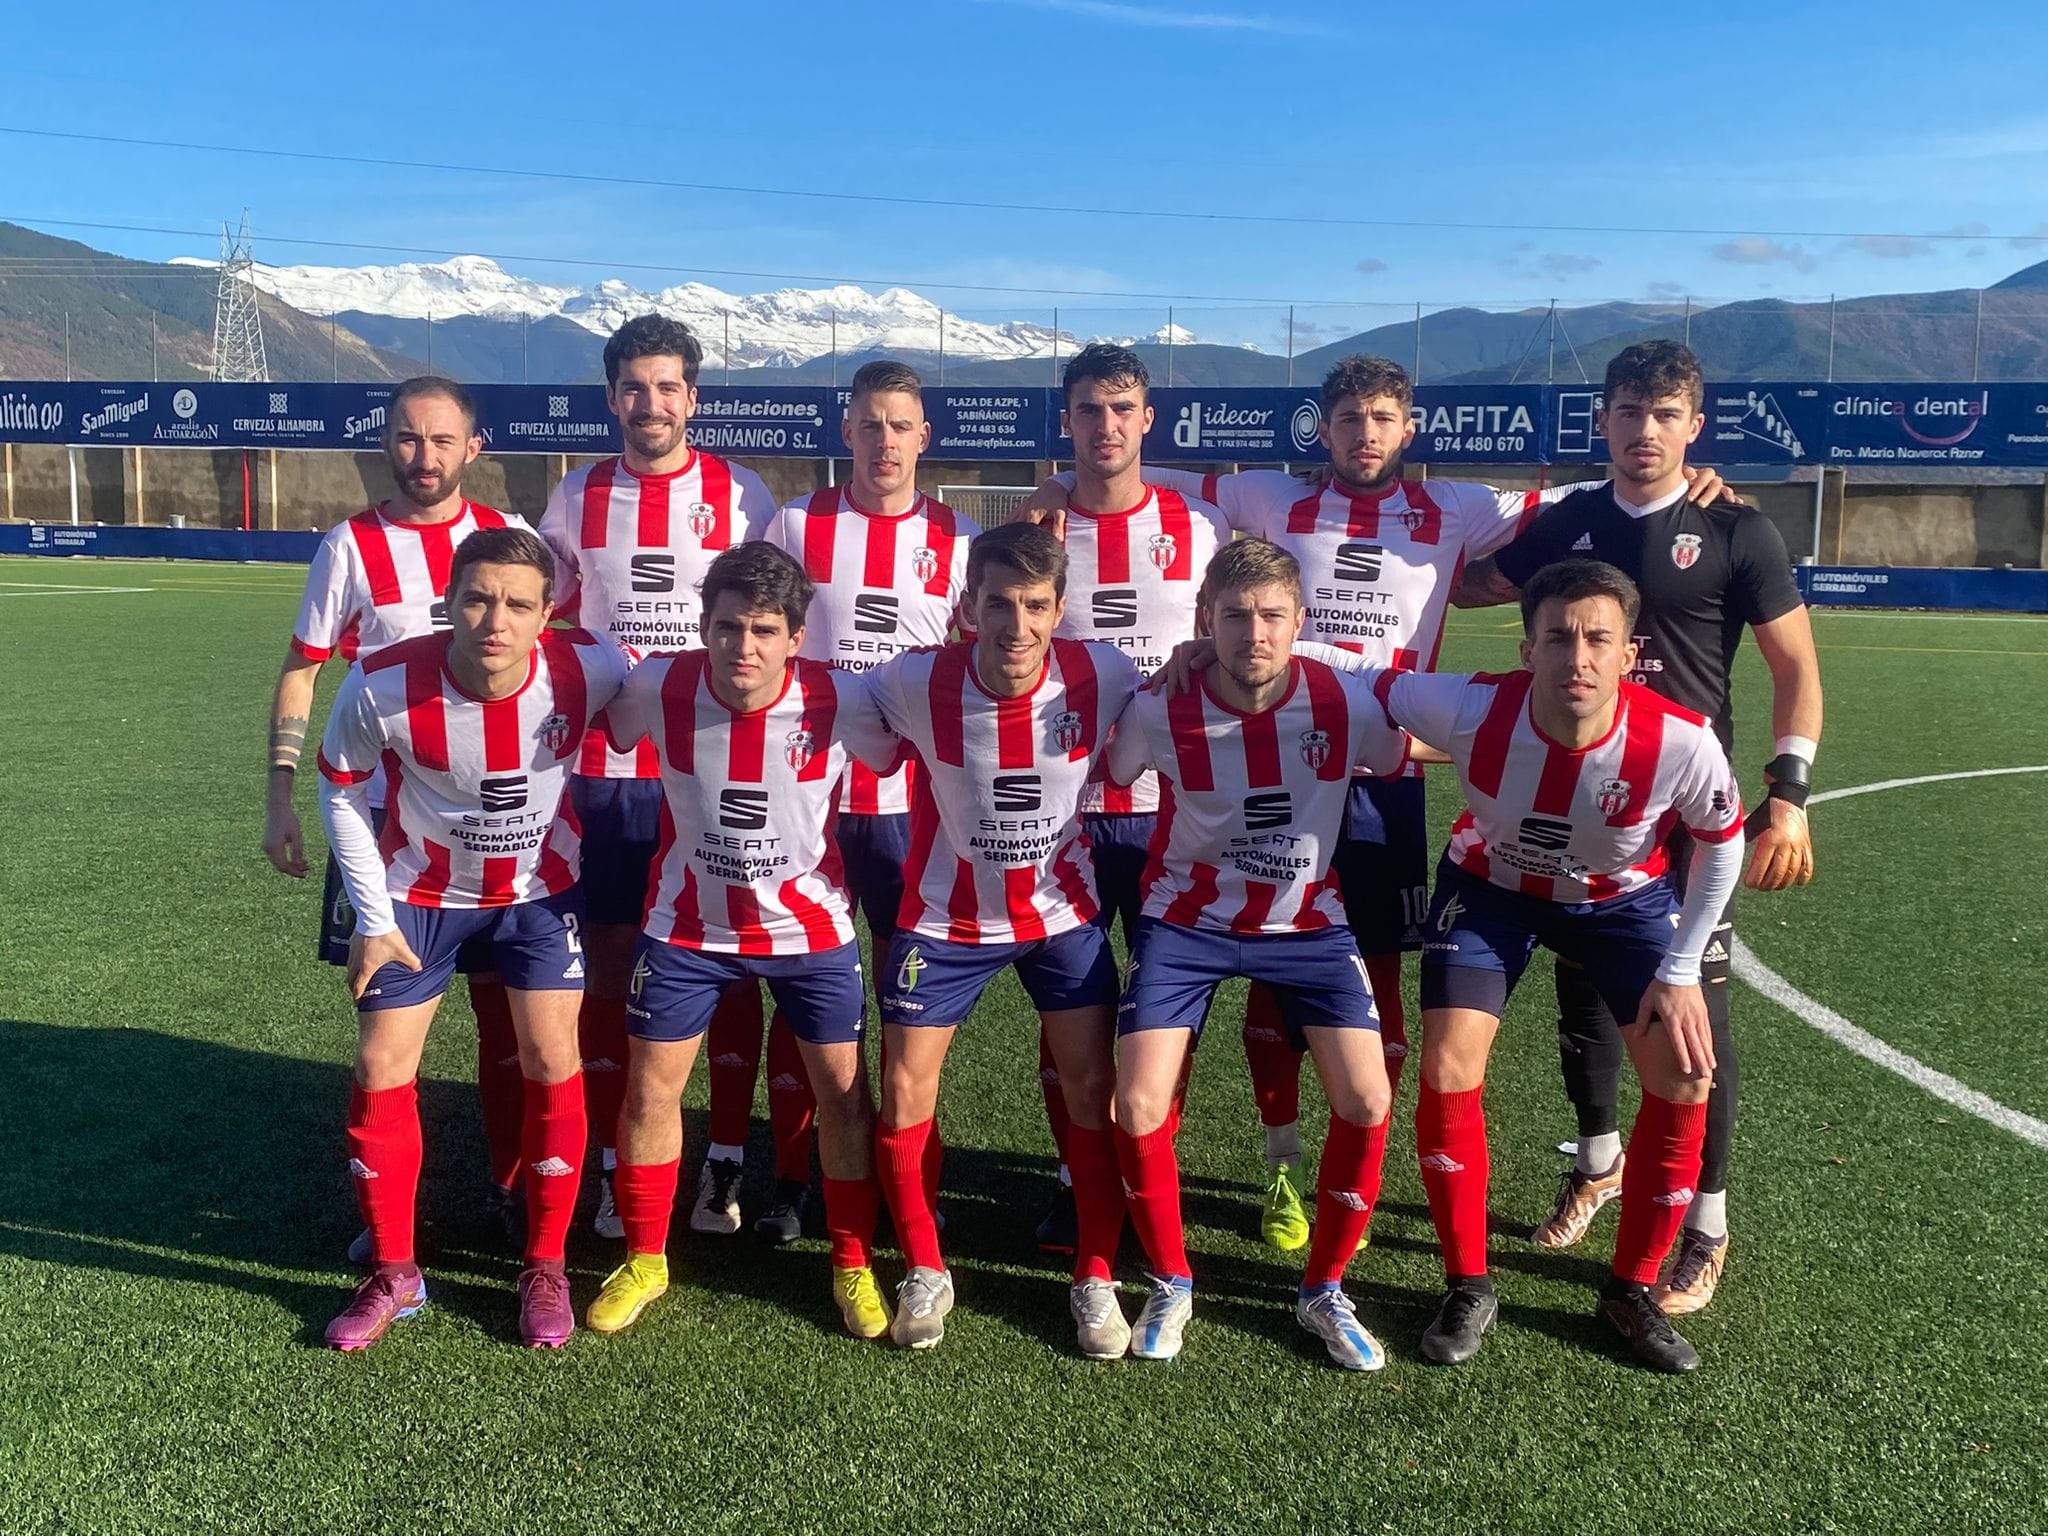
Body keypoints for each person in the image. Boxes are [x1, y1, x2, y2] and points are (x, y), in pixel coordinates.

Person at [1020, 355, 1727, 1253]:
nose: (1365, 435)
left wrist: (1687, 473)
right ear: (1322, 427)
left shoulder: (1460, 510)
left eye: (1383, 418)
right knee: (1256, 980)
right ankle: (1274, 1166)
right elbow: (1137, 467)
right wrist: (1054, 480)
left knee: (1374, 987)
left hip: (1382, 782)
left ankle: (1363, 1166)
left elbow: (1602, 492)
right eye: (1348, 418)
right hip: (1264, 765)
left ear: (1409, 428)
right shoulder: (1266, 497)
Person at [1454, 340, 1822, 1313]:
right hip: (1577, 802)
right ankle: (1598, 1161)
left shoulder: (1733, 527)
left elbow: (1796, 672)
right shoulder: (1571, 522)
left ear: (1692, 425)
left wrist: (1786, 793)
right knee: (1582, 1000)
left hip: (1684, 813)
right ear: (1603, 419)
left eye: (1665, 413)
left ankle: (1706, 1220)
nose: (1645, 429)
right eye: (1628, 410)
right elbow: (1466, 585)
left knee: (1691, 1020)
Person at [1375, 558, 1744, 1373]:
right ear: (1527, 648)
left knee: (1684, 1078)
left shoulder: (1679, 740)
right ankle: (1468, 1283)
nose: (1578, 657)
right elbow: (1358, 679)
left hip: (1623, 906)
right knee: (1447, 1068)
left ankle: (1630, 1291)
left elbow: (1723, 844)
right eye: (1559, 637)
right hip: (1491, 890)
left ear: (1627, 653)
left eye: (1597, 639)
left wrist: (1680, 971)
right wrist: (1206, 654)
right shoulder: (1469, 705)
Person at [315, 526, 627, 1350]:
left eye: (519, 604)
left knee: (552, 1058)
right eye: (479, 598)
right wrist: (372, 919)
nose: (497, 619)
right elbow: (340, 789)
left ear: (547, 612)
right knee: (381, 1065)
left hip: (538, 893)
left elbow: (661, 707)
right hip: (419, 893)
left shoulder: (591, 666)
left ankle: (546, 1263)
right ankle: (393, 1271)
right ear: (447, 602)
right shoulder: (381, 682)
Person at [584, 543, 903, 1341]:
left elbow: (900, 753)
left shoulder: (841, 696)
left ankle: (852, 1261)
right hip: (687, 927)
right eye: (727, 627)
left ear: (797, 636)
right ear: (703, 626)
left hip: (812, 929)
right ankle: (648, 1258)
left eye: (765, 629)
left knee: (842, 1097)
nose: (744, 647)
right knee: (651, 1093)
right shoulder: (661, 682)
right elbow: (608, 721)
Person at [1103, 540, 1407, 1367]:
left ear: (1300, 622)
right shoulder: (1158, 707)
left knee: (1369, 1099)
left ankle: (1323, 1291)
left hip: (1307, 922)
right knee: (1137, 1104)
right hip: (1186, 920)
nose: (1254, 633)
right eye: (1234, 616)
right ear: (1205, 623)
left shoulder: (1347, 701)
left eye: (1272, 614)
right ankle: (1172, 1281)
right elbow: (1117, 769)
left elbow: (1411, 748)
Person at [856, 521, 1143, 1354]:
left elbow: (1178, 691)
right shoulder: (915, 681)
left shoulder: (1105, 672)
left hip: (1061, 914)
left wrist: (1196, 657)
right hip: (943, 920)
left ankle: (1094, 1275)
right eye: (998, 605)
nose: (1015, 627)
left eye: (1034, 606)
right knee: (906, 1091)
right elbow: (842, 704)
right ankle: (924, 1264)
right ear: (967, 607)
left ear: (1060, 610)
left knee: (1093, 1091)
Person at [263, 375, 531, 1252]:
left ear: (473, 449)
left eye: (443, 440)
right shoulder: (349, 545)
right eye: (409, 439)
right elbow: (304, 667)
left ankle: (508, 1189)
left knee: (508, 1024)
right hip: (381, 833)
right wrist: (280, 796)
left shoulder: (510, 541)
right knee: (386, 1032)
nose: (425, 457)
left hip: (490, 834)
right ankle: (391, 1221)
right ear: (387, 443)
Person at [536, 315, 778, 1241]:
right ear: (612, 398)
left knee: (735, 965)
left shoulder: (742, 494)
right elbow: (549, 612)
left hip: (714, 769)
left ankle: (723, 1161)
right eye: (634, 387)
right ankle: (610, 1163)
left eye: (668, 386)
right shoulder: (576, 497)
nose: (651, 403)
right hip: (605, 772)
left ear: (693, 397)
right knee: (604, 970)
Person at [739, 359, 979, 1246]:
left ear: (925, 437)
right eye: (869, 425)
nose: (884, 441)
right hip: (806, 800)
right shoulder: (799, 523)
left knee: (909, 1003)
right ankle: (794, 1180)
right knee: (806, 999)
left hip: (918, 808)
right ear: (847, 433)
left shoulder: (956, 535)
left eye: (900, 426)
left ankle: (912, 1178)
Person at [1031, 342, 1223, 1256]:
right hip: (1059, 810)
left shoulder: (1199, 523)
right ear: (1065, 421)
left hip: (1168, 810)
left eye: (1121, 410)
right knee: (1066, 1007)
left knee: (1163, 1008)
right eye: (1087, 411)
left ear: (1148, 419)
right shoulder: (1036, 533)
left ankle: (1149, 1164)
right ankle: (1076, 1175)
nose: (1104, 428)